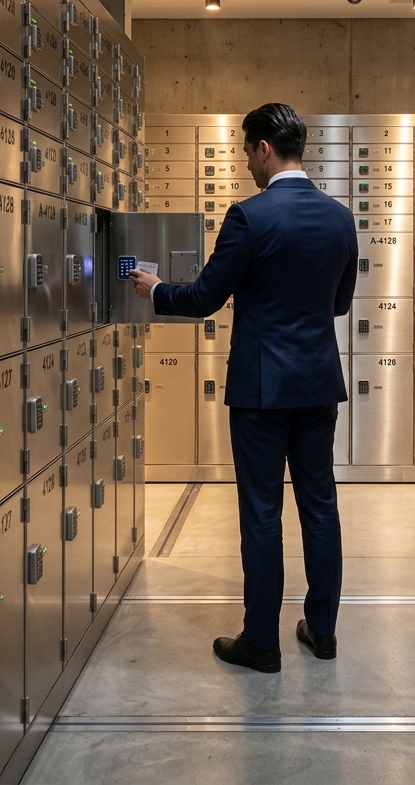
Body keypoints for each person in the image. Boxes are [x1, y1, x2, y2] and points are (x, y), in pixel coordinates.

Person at [130, 103, 359, 673]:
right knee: (320, 506)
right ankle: (322, 631)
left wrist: (158, 289)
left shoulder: (250, 217)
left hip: (261, 389)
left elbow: (204, 297)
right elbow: (340, 303)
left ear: (263, 148)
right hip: (317, 384)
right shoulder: (339, 217)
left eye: (245, 152)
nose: (246, 165)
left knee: (261, 511)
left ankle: (261, 640)